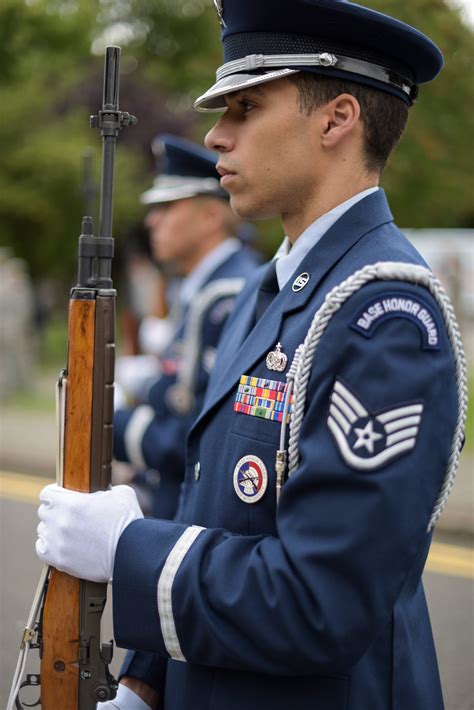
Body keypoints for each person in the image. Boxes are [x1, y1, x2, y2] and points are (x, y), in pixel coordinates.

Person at [36, 2, 466, 709]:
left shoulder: (384, 311)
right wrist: (146, 681)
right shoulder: (274, 287)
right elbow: (214, 506)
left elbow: (321, 602)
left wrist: (129, 548)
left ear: (336, 119)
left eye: (244, 107)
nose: (215, 136)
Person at [113, 133, 260, 517]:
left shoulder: (227, 296)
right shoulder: (202, 290)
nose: (151, 221)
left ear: (211, 216)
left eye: (166, 206)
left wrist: (105, 422)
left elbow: (193, 435)